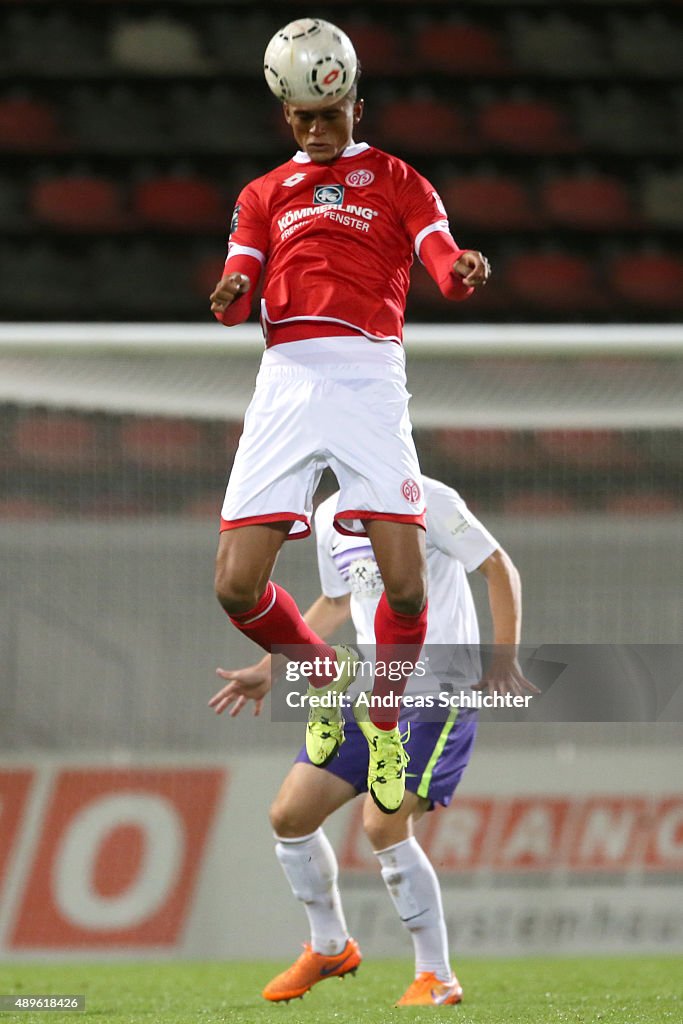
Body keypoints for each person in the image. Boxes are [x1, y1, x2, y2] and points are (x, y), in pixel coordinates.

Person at [209, 24, 491, 815]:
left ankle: (387, 722)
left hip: (369, 377)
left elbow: (442, 263)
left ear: (354, 106)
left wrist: (462, 272)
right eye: (301, 116)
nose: (315, 127)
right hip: (288, 377)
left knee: (404, 590)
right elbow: (239, 277)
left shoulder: (401, 182)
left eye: (328, 112)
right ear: (287, 117)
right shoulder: (263, 194)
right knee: (235, 588)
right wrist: (231, 297)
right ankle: (322, 673)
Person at [210, 476, 537, 1007]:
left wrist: (504, 655)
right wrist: (270, 667)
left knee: (382, 821)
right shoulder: (328, 515)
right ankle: (330, 946)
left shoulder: (431, 499)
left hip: (439, 689)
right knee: (289, 816)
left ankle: (436, 976)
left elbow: (499, 567)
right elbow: (336, 602)